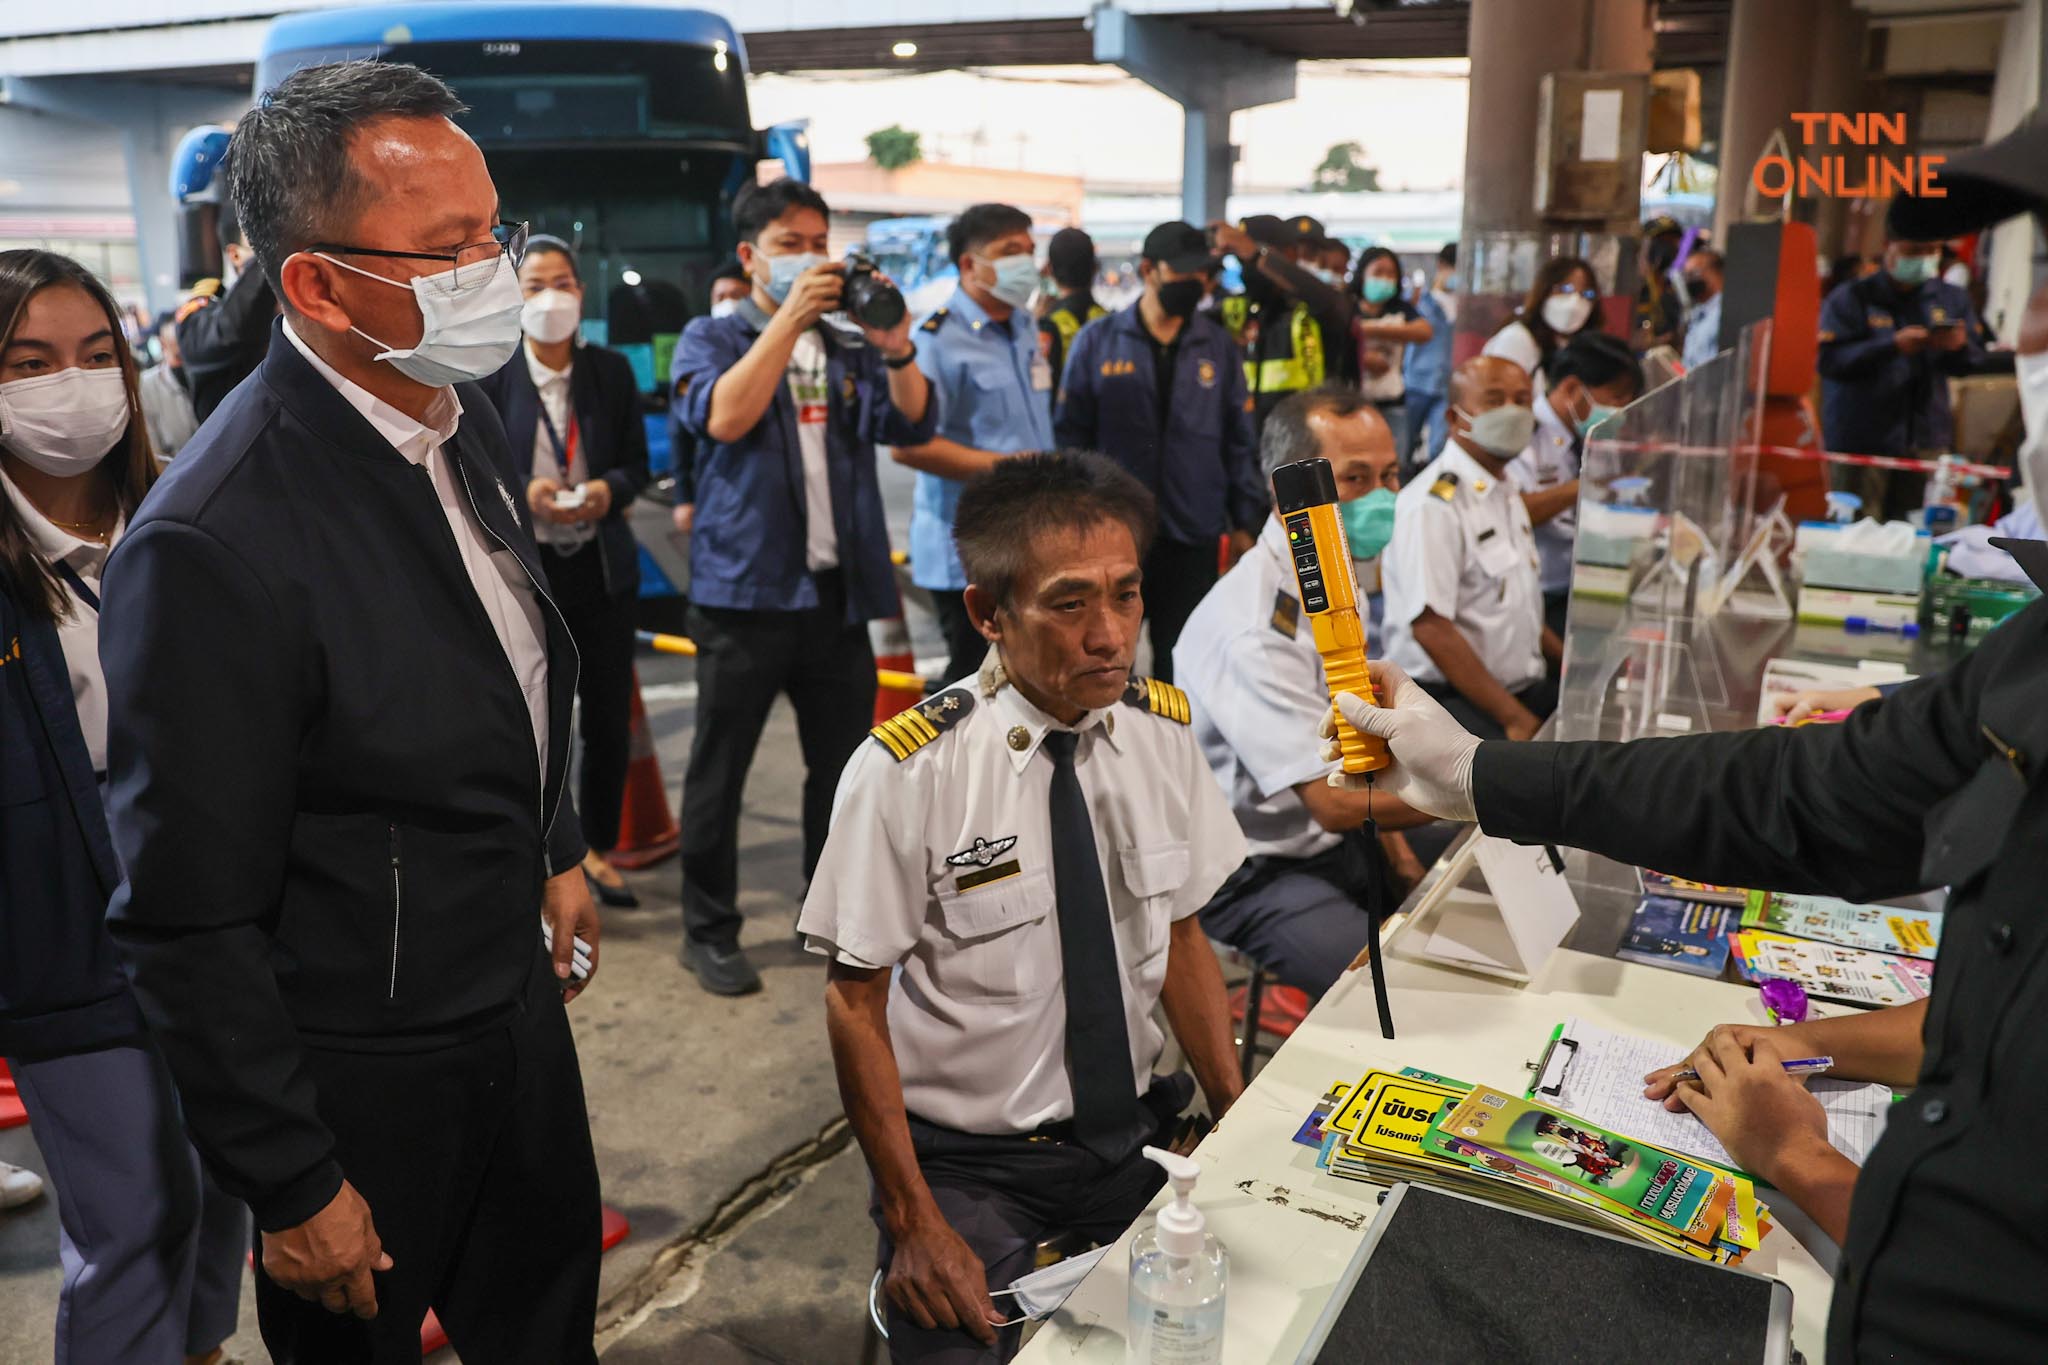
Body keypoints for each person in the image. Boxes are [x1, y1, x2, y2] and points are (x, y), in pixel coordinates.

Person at [99, 61, 606, 1362]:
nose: (496, 272)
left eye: (494, 232)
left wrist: (552, 847)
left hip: (509, 996)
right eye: (449, 249)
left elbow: (503, 665)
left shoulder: (452, 411)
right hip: (367, 1063)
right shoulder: (216, 541)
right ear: (316, 285)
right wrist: (290, 1177)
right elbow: (185, 911)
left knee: (548, 1322)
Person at [800, 452, 1247, 1365]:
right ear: (987, 613)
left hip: (1140, 1134)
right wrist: (912, 1217)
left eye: (1126, 595)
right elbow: (855, 1001)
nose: (1109, 635)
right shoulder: (908, 772)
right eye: (1069, 603)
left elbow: (1181, 936)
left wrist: (1238, 1113)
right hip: (973, 1165)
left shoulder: (1159, 733)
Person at [0, 247, 245, 1365]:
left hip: (216, 908)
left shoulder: (183, 510)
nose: (74, 384)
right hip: (61, 934)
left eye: (97, 354)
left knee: (226, 1184)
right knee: (136, 1219)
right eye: (30, 362)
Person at [670, 178, 934, 996]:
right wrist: (787, 318)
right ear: (750, 256)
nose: (811, 258)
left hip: (835, 597)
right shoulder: (711, 337)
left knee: (842, 773)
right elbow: (724, 417)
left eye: (820, 242)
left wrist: (896, 346)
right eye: (791, 243)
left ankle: (826, 910)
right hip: (744, 596)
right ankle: (708, 930)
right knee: (720, 772)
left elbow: (912, 422)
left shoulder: (847, 346)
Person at [1175, 387, 1436, 999]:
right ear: (1287, 490)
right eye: (1356, 478)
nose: (1382, 497)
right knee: (1391, 993)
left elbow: (1361, 742)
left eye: (1390, 475)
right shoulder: (1252, 629)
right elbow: (1332, 802)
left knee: (1475, 880)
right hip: (1257, 867)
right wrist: (1480, 790)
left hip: (1342, 833)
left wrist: (1400, 855)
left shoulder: (1330, 571)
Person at [477, 234, 651, 912]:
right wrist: (526, 492)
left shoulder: (610, 371)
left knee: (606, 719)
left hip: (601, 569)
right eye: (535, 285)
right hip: (528, 573)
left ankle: (596, 848)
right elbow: (476, 468)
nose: (551, 298)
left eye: (564, 283)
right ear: (513, 296)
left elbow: (636, 463)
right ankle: (535, 848)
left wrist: (610, 488)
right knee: (531, 718)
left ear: (582, 292)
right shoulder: (491, 373)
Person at [1052, 221, 1263, 682]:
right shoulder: (1097, 341)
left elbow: (1239, 440)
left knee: (1187, 663)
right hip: (1115, 534)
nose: (1195, 282)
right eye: (1183, 272)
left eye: (1202, 273)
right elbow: (1070, 442)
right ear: (1149, 270)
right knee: (1106, 656)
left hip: (1194, 531)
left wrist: (1245, 522)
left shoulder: (1218, 347)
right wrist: (1075, 521)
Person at [894, 203, 1052, 686]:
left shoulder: (1023, 325)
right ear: (969, 264)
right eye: (1010, 251)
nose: (1026, 263)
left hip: (1028, 538)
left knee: (1025, 678)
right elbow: (908, 446)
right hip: (967, 548)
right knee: (972, 685)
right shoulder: (937, 339)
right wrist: (1007, 467)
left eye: (1029, 250)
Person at [1381, 355, 1556, 742]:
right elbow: (1431, 628)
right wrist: (1514, 719)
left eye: (1522, 400)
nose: (1512, 411)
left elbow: (1517, 602)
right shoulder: (1433, 505)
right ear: (1454, 418)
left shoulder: (1504, 490)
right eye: (1494, 400)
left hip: (1518, 689)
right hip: (1454, 703)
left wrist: (1572, 665)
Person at [1818, 233, 1985, 520]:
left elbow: (1973, 361)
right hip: (1863, 440)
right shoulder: (1851, 298)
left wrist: (1958, 347)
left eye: (1931, 249)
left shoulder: (1951, 298)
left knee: (1915, 531)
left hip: (1925, 438)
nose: (1923, 258)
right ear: (1888, 247)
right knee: (1856, 530)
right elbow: (1829, 361)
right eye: (1914, 250)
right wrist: (1891, 346)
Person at [1508, 333, 1644, 638]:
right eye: (1617, 397)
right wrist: (1580, 487)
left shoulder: (1594, 437)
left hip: (1586, 580)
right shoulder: (1523, 435)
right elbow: (1514, 511)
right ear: (1572, 388)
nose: (1622, 410)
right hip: (1540, 593)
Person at [1210, 215, 1357, 431]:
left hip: (1305, 435)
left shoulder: (1312, 308)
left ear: (1288, 255)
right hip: (1245, 437)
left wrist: (1257, 255)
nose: (1247, 265)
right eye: (1239, 258)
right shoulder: (1238, 308)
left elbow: (1333, 305)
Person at [174, 195, 276, 421]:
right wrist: (274, 245)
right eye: (260, 242)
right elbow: (233, 329)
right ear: (235, 255)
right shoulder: (197, 321)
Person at [669, 260, 752, 537]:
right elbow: (679, 431)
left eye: (737, 295)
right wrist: (684, 497)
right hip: (717, 482)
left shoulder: (765, 347)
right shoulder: (698, 347)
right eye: (720, 297)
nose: (728, 303)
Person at [1348, 246, 1435, 466]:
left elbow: (1424, 332)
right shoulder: (1347, 305)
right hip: (1352, 403)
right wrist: (1365, 357)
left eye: (1391, 274)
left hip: (1392, 402)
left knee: (1395, 462)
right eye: (1378, 272)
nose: (1385, 279)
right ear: (1363, 273)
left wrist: (1367, 330)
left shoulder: (1400, 308)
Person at [1481, 254, 1601, 392]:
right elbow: (1502, 397)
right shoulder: (1516, 339)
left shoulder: (1577, 345)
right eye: (1565, 289)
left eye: (1586, 294)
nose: (1574, 302)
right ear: (1544, 291)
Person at [1404, 243, 1458, 474]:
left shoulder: (1466, 306)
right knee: (1405, 444)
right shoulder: (1419, 301)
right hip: (1416, 382)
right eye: (1453, 267)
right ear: (1441, 266)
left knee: (1439, 446)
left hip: (1447, 385)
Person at [1038, 226, 1104, 398]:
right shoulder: (1110, 322)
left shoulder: (1045, 324)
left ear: (1048, 269)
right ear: (1095, 268)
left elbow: (1041, 389)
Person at [139, 310, 200, 457]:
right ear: (162, 343)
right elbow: (154, 452)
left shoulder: (206, 372)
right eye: (179, 356)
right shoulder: (148, 385)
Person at [1631, 215, 1686, 354]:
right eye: (1660, 242)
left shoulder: (1678, 288)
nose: (1666, 249)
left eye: (1671, 242)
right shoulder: (1631, 287)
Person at [1680, 246, 1725, 372]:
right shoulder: (1698, 315)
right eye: (1686, 275)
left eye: (1693, 273)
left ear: (1713, 272)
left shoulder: (1723, 311)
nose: (1688, 280)